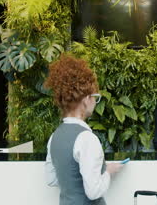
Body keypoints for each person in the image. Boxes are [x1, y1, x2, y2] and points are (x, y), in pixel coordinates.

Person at [44, 55, 122, 205]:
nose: (95, 102)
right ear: (87, 99)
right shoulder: (86, 138)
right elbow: (93, 192)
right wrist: (108, 172)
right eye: (95, 97)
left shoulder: (55, 136)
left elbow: (52, 180)